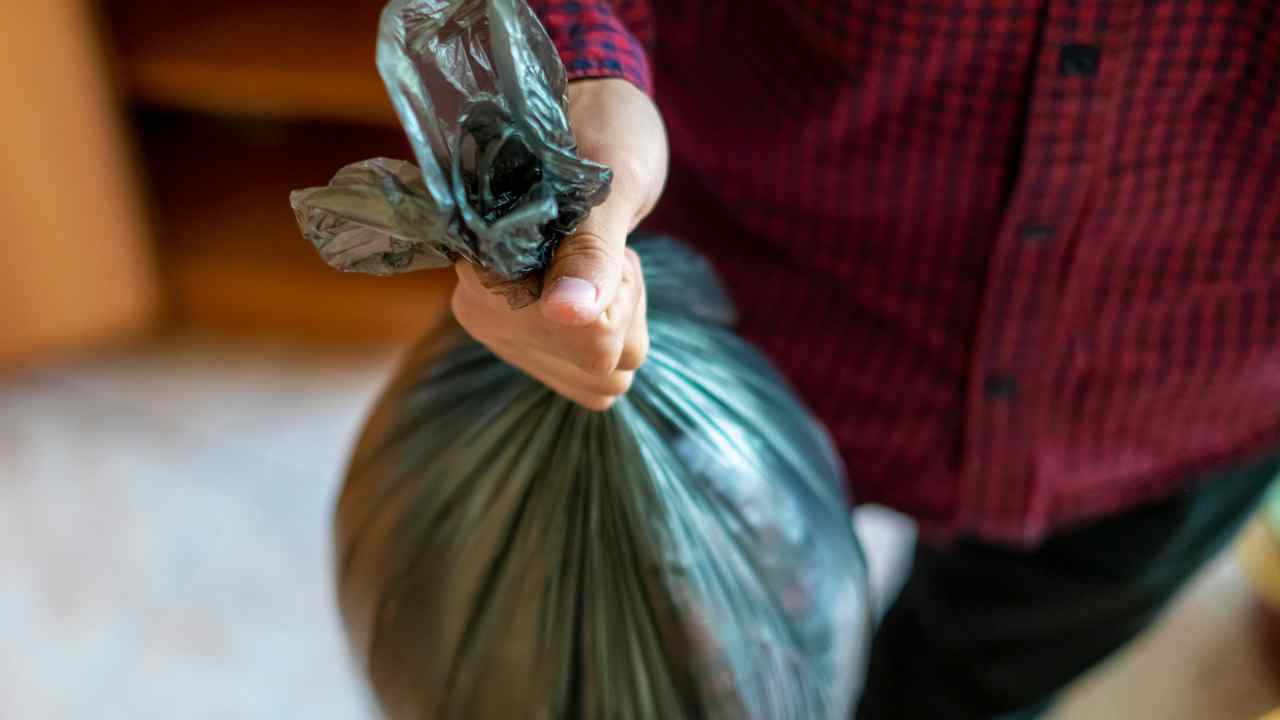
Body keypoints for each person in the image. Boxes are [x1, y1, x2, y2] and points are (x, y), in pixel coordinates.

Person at [449, 2, 1280, 717]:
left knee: (970, 696)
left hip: (1179, 411)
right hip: (721, 340)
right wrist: (570, 94)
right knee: (649, 686)